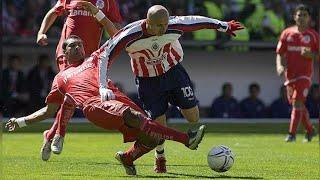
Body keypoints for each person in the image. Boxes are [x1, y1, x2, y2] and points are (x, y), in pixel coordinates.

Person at [5, 36, 205, 176]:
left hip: (116, 97)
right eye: (72, 46)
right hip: (95, 106)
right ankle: (186, 139)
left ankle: (127, 158)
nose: (78, 48)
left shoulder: (95, 59)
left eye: (80, 45)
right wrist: (21, 121)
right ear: (64, 53)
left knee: (153, 137)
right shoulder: (60, 78)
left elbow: (117, 39)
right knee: (137, 118)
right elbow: (49, 111)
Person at [98, 5, 243, 173]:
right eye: (160, 25)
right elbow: (104, 55)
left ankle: (179, 113)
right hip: (148, 82)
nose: (164, 28)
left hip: (174, 72)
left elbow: (195, 21)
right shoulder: (130, 35)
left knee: (193, 117)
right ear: (148, 22)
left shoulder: (173, 25)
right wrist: (102, 86)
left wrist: (223, 25)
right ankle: (160, 156)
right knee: (159, 128)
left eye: (166, 24)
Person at [36, 0, 121, 154]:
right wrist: (41, 31)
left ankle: (50, 134)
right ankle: (59, 134)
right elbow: (53, 12)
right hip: (66, 54)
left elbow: (115, 30)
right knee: (72, 92)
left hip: (88, 58)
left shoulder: (108, 2)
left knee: (71, 97)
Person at [276, 4, 319, 142]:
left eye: (305, 15)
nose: (301, 17)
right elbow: (280, 53)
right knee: (298, 104)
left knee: (297, 103)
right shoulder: (287, 33)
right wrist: (279, 66)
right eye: (299, 15)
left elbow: (318, 55)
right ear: (295, 17)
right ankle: (311, 130)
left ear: (309, 18)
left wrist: (311, 55)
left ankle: (291, 134)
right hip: (290, 75)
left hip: (304, 75)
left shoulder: (313, 35)